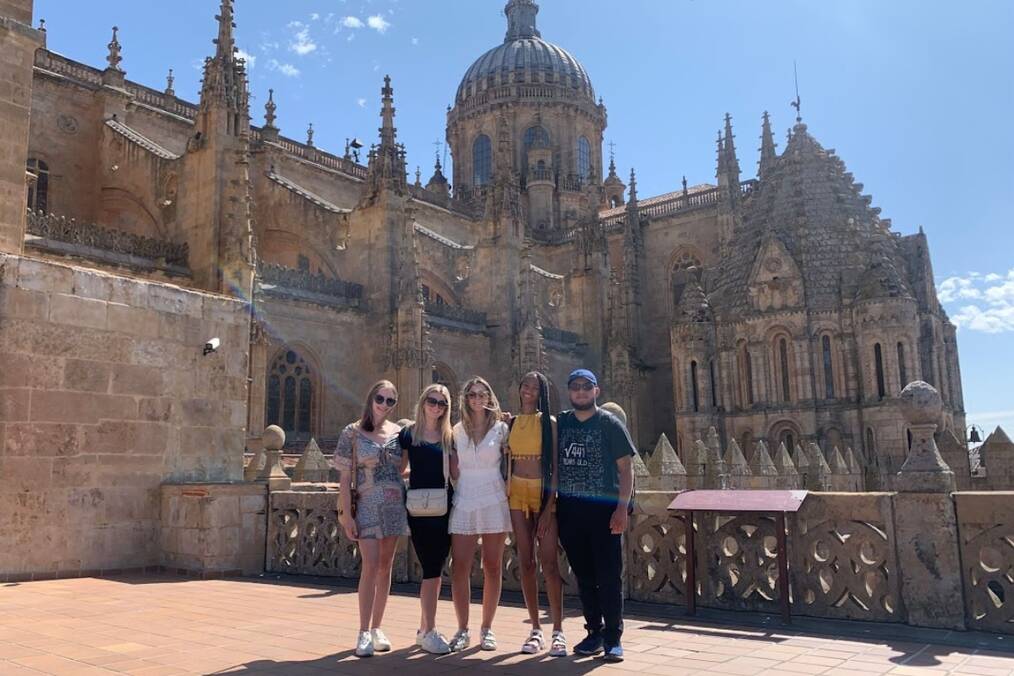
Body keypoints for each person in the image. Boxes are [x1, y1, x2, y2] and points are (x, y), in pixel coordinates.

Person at [555, 369, 635, 662]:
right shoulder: (561, 422)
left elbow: (626, 470)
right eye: (575, 387)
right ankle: (594, 633)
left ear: (596, 391)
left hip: (604, 511)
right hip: (570, 511)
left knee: (609, 576)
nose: (580, 392)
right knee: (585, 576)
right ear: (569, 392)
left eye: (586, 387)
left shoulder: (610, 424)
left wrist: (622, 509)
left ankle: (613, 637)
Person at [334, 380, 408, 658]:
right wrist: (348, 516)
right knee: (371, 565)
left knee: (386, 567)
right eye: (380, 398)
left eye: (390, 401)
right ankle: (363, 631)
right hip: (365, 506)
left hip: (393, 506)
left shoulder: (400, 433)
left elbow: (402, 469)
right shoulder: (352, 433)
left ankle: (377, 628)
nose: (384, 404)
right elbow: (344, 478)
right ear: (370, 398)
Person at [447, 376, 511, 652]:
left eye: (481, 394)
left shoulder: (502, 429)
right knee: (458, 567)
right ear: (465, 399)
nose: (476, 399)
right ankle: (463, 629)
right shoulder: (456, 431)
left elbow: (514, 461)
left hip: (494, 498)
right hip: (465, 497)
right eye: (472, 394)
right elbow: (450, 466)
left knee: (493, 566)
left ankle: (487, 628)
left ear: (489, 397)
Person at [507, 372, 565, 656]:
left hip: (543, 496)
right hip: (516, 494)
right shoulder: (511, 423)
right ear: (519, 389)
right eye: (525, 385)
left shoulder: (549, 424)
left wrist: (547, 507)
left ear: (542, 392)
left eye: (535, 386)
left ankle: (558, 631)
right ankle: (535, 630)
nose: (529, 390)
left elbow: (555, 468)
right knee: (526, 562)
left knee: (550, 565)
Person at [398, 384, 454, 655]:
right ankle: (429, 631)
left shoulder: (450, 436)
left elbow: (456, 471)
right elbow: (398, 469)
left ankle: (424, 630)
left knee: (436, 568)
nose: (436, 407)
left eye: (442, 403)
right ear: (422, 403)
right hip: (419, 509)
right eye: (432, 401)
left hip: (444, 507)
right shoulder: (408, 434)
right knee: (431, 569)